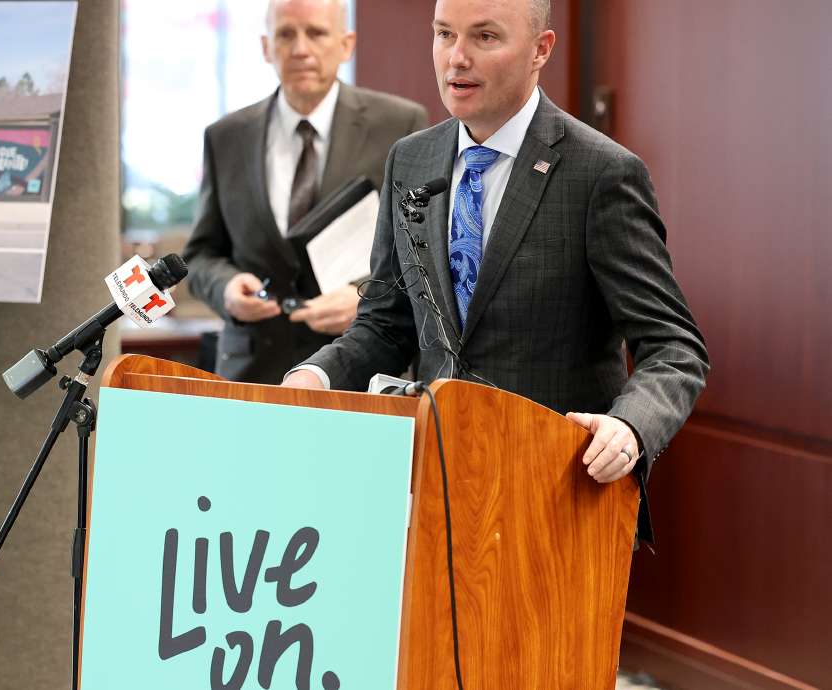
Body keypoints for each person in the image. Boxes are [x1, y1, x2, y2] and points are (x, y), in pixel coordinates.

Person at [283, 0, 709, 539]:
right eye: (444, 35)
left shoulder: (601, 173)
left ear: (540, 50)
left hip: (555, 499)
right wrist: (315, 377)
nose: (456, 59)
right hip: (429, 488)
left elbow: (675, 348)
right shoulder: (410, 160)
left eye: (484, 37)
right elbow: (388, 322)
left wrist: (629, 427)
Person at [183, 0, 429, 384]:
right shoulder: (226, 137)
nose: (300, 49)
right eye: (286, 34)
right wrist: (226, 289)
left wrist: (365, 299)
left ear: (346, 44)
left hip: (358, 370)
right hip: (251, 373)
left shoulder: (399, 124)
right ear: (266, 47)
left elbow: (420, 254)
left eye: (316, 33)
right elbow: (200, 255)